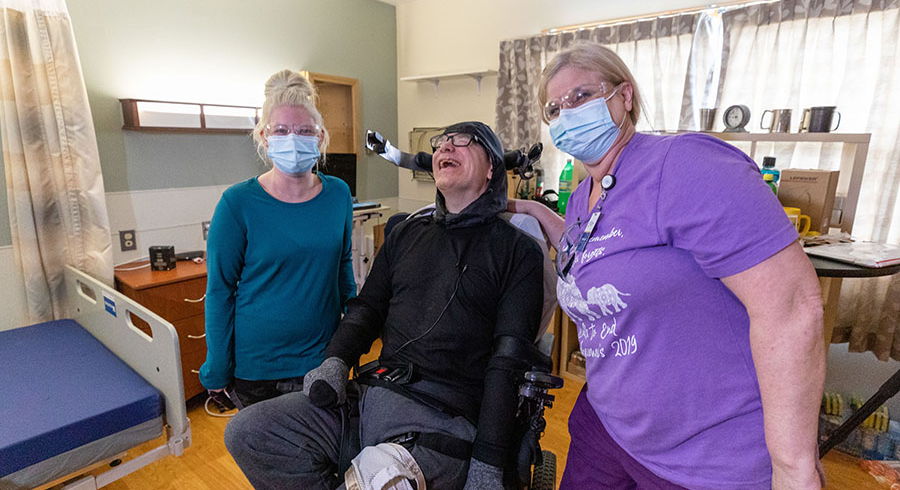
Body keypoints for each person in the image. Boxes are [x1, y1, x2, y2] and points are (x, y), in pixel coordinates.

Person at [509, 42, 825, 489]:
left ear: (624, 96)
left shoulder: (685, 165)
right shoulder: (584, 196)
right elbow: (591, 258)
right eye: (554, 109)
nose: (566, 115)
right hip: (607, 425)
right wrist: (533, 210)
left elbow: (792, 308)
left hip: (702, 455)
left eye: (580, 96)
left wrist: (795, 469)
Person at [224, 121, 544, 490]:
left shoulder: (518, 251)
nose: (445, 149)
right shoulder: (405, 233)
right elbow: (366, 309)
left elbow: (508, 362)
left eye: (463, 142)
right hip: (371, 399)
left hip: (442, 422)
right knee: (248, 431)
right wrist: (335, 362)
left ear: (491, 168)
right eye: (441, 144)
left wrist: (488, 463)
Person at [199, 69, 357, 409]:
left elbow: (343, 268)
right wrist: (217, 368)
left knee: (324, 456)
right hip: (258, 369)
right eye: (282, 130)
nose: (293, 139)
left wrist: (352, 339)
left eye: (304, 131)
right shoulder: (237, 203)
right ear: (264, 136)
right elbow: (220, 292)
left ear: (321, 136)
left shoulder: (338, 195)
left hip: (322, 360)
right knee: (267, 456)